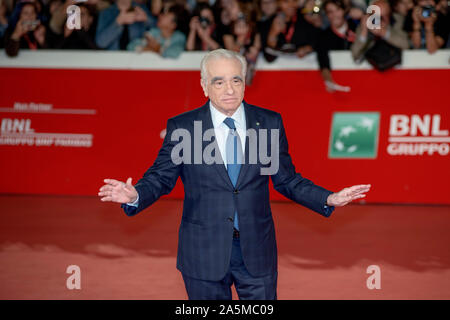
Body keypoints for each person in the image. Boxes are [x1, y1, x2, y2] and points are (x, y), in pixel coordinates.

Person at [98, 49, 371, 300]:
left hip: (257, 251)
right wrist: (135, 195)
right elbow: (160, 177)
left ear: (244, 82)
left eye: (236, 80)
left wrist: (329, 198)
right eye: (219, 82)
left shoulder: (268, 123)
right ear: (204, 86)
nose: (229, 89)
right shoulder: (184, 128)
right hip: (202, 251)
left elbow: (287, 180)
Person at [316, 0, 356, 92]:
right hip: (340, 80)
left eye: (337, 10)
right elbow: (323, 61)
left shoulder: (357, 27)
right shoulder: (323, 36)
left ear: (344, 10)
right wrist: (328, 80)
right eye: (330, 12)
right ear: (326, 15)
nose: (334, 15)